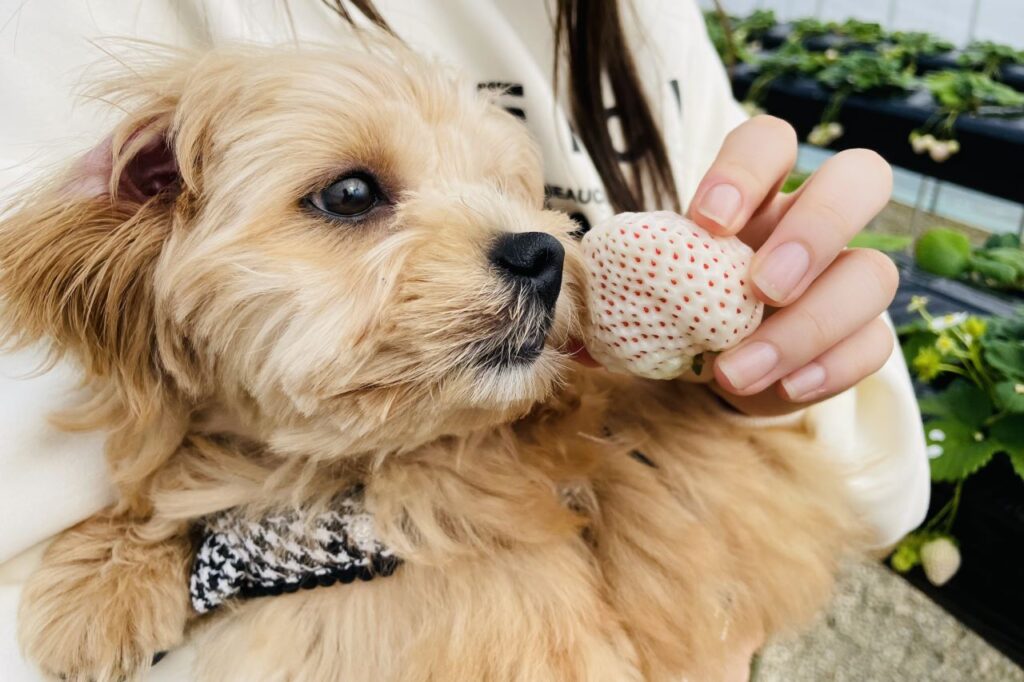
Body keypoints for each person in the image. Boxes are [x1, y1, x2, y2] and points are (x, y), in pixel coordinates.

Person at [0, 1, 928, 679]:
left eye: (519, 196)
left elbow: (868, 493)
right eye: (352, 196)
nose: (532, 244)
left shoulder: (649, 25)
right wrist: (156, 544)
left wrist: (800, 339)